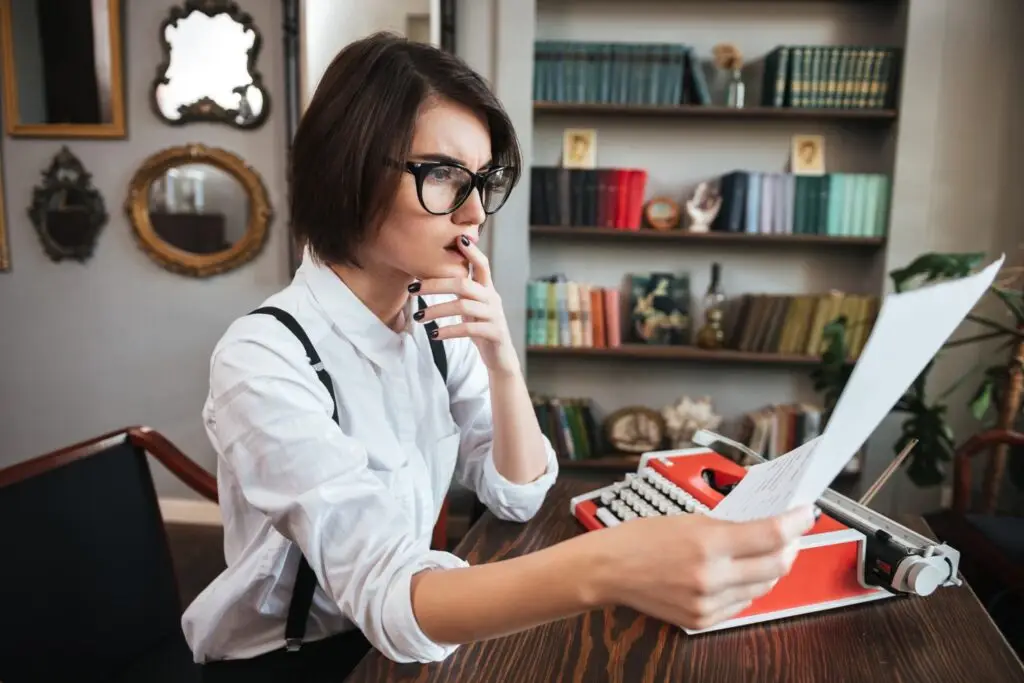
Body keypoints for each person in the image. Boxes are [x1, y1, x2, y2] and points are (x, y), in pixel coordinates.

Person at [182, 32, 818, 682]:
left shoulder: (431, 318)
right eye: (446, 176)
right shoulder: (263, 358)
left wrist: (502, 359)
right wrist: (613, 563)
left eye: (483, 180)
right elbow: (388, 597)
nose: (476, 211)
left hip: (416, 625)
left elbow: (517, 493)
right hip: (288, 661)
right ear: (350, 167)